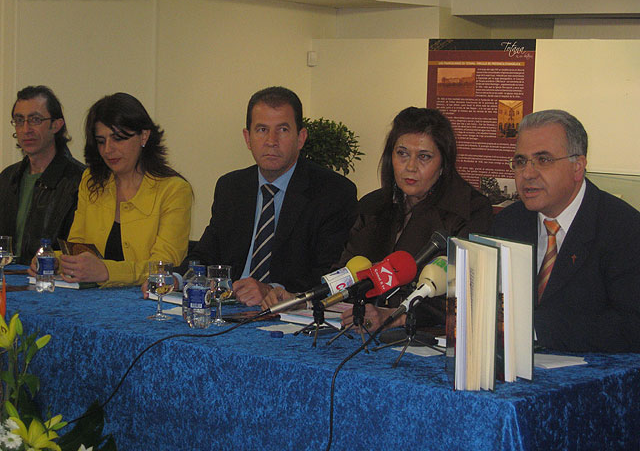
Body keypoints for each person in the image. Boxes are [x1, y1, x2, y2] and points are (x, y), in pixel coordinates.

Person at [263, 107, 493, 330]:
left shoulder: (471, 211)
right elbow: (346, 273)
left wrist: (396, 317)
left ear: (443, 164)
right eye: (402, 154)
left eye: (424, 156)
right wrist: (304, 300)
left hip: (427, 341)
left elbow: (470, 298)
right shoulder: (373, 206)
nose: (410, 167)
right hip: (358, 332)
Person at [159, 86, 357, 305]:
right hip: (229, 308)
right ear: (247, 138)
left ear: (300, 138)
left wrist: (271, 290)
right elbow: (206, 255)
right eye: (262, 130)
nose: (271, 141)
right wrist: (176, 279)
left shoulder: (333, 192)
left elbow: (330, 274)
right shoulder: (231, 187)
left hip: (289, 316)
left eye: (282, 130)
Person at [492, 109, 640, 353]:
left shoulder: (624, 229)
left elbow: (632, 325)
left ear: (577, 167)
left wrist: (536, 329)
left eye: (543, 160)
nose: (527, 174)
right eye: (520, 161)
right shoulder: (508, 223)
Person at [30, 92, 192, 287]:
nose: (108, 149)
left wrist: (107, 271)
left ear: (144, 136)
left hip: (145, 304)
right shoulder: (91, 181)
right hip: (90, 300)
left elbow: (163, 269)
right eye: (101, 141)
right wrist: (53, 260)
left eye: (118, 139)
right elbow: (76, 247)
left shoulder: (174, 190)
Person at [0, 85, 85, 264]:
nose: (26, 129)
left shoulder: (79, 180)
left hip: (53, 283)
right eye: (19, 120)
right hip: (9, 282)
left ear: (56, 125)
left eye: (35, 120)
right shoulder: (7, 178)